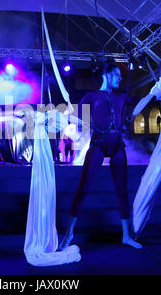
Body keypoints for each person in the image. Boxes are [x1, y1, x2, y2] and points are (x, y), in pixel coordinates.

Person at [59, 63, 142, 250]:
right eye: (116, 74)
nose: (120, 78)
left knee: (122, 190)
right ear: (106, 75)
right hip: (98, 143)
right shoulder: (91, 96)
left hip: (117, 145)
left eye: (121, 75)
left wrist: (155, 92)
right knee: (84, 187)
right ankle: (69, 234)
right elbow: (76, 118)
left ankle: (126, 236)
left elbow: (139, 103)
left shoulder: (121, 96)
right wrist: (58, 120)